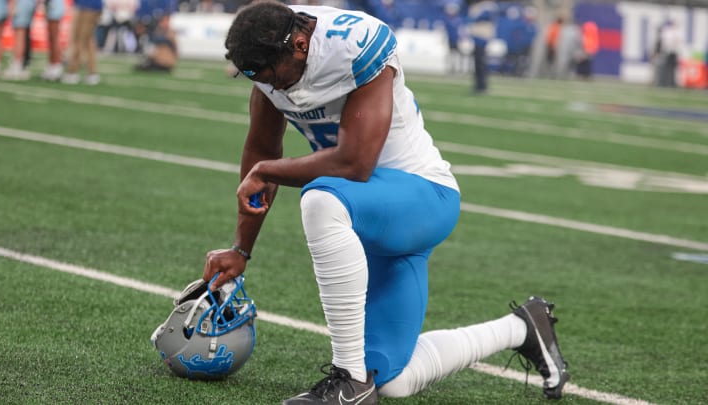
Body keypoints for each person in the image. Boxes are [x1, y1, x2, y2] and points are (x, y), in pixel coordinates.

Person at [202, 1, 570, 404]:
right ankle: (523, 327)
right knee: (394, 380)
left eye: (266, 73)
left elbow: (355, 163)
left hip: (421, 196)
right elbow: (260, 150)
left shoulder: (355, 43)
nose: (265, 84)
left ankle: (349, 382)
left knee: (321, 198)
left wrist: (270, 171)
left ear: (301, 44)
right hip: (370, 214)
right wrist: (241, 250)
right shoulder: (269, 46)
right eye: (253, 76)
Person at [62, 0, 103, 85]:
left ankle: (73, 72)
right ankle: (91, 73)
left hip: (89, 5)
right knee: (86, 39)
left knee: (81, 39)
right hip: (85, 5)